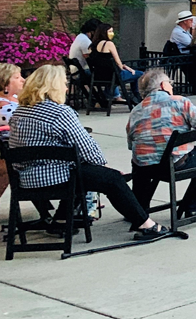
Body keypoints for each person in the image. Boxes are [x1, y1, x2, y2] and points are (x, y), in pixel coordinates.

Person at [9, 64, 169, 240]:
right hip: (55, 178)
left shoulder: (20, 112)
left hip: (25, 179)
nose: (65, 87)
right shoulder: (59, 112)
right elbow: (86, 147)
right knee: (112, 179)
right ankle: (146, 225)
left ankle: (62, 220)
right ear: (53, 86)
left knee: (85, 171)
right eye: (63, 83)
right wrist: (106, 168)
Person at [126, 68, 196, 214]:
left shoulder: (136, 110)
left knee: (138, 160)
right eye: (170, 82)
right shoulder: (179, 102)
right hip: (175, 164)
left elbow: (131, 145)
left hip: (145, 168)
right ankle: (192, 207)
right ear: (163, 85)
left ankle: (138, 209)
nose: (172, 86)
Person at [88, 22, 143, 102]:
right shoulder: (109, 44)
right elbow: (118, 62)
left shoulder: (92, 46)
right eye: (110, 31)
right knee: (140, 74)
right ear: (104, 32)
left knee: (132, 73)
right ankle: (137, 96)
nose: (112, 34)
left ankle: (105, 97)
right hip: (115, 76)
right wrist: (125, 68)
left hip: (99, 76)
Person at [0, 63, 25, 197]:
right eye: (16, 77)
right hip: (13, 150)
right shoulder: (3, 107)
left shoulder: (14, 99)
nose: (23, 80)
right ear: (5, 84)